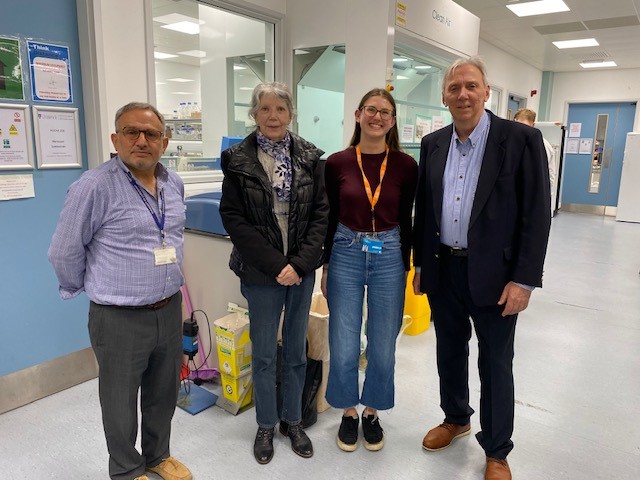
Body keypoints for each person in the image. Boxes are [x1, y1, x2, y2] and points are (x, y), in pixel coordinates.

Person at [413, 57, 551, 480]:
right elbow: (425, 212)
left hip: (496, 275)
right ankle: (456, 417)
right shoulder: (434, 143)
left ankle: (496, 449)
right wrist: (420, 263)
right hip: (444, 269)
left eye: (471, 86)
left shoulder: (521, 140)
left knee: (495, 361)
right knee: (449, 350)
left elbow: (536, 213)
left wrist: (524, 280)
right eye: (455, 88)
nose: (463, 95)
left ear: (486, 91)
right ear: (444, 96)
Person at [48, 102, 191, 480]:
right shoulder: (93, 187)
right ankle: (127, 470)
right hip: (119, 316)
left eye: (152, 134)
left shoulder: (173, 183)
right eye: (132, 132)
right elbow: (63, 252)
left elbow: (172, 238)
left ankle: (158, 455)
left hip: (168, 307)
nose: (142, 141)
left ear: (165, 140)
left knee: (163, 392)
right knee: (120, 400)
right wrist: (89, 288)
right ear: (116, 138)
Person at [219, 82, 329, 465]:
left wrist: (298, 265)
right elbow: (233, 218)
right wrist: (276, 264)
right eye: (264, 109)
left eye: (280, 109)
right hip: (262, 272)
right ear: (254, 114)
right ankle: (266, 424)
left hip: (300, 271)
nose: (272, 116)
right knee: (265, 355)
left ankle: (293, 421)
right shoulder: (236, 159)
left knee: (296, 351)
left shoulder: (312, 158)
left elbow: (320, 216)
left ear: (291, 113)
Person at [322, 88, 418, 452]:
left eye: (385, 112)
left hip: (390, 251)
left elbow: (410, 219)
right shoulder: (337, 163)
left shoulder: (407, 166)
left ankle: (372, 411)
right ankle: (348, 411)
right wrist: (327, 265)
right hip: (345, 249)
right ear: (358, 114)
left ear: (393, 121)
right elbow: (329, 216)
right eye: (371, 110)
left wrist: (409, 266)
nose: (378, 117)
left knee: (383, 342)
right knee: (344, 340)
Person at [513, 108, 557, 200]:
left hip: (533, 193)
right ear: (514, 122)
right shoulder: (508, 142)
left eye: (526, 127)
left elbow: (548, 174)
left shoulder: (543, 145)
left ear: (533, 125)